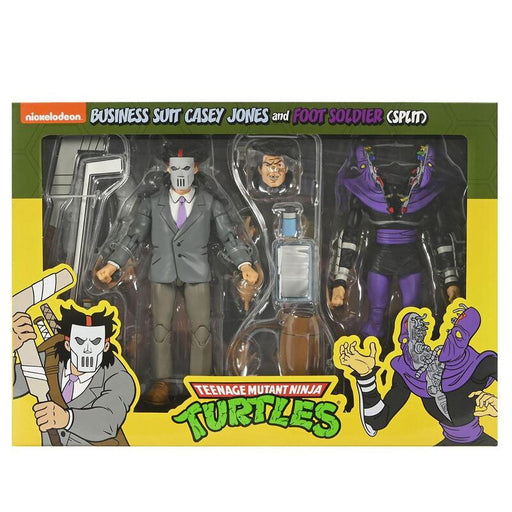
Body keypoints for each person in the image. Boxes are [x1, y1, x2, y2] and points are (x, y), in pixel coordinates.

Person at [96, 145, 260, 405]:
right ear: (167, 169)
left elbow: (229, 237)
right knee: (160, 329)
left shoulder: (210, 202)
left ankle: (200, 384)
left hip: (198, 272)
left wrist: (244, 264)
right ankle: (161, 382)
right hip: (163, 271)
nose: (181, 174)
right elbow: (133, 236)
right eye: (175, 168)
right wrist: (113, 264)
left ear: (195, 168)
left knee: (202, 330)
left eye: (186, 168)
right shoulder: (152, 202)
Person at [330, 141, 461, 352]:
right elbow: (350, 237)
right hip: (381, 258)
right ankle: (371, 358)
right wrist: (340, 281)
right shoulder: (363, 193)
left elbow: (441, 238)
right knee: (376, 314)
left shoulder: (430, 194)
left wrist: (450, 280)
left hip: (411, 259)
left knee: (412, 316)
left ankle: (410, 357)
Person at [336, 304, 497, 445]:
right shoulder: (412, 376)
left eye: (458, 333)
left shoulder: (477, 365)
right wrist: (366, 376)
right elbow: (378, 420)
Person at [12, 303, 136, 446]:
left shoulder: (119, 378)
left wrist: (66, 419)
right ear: (68, 344)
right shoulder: (49, 360)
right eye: (80, 341)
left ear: (105, 346)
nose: (88, 349)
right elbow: (13, 387)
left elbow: (108, 421)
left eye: (95, 342)